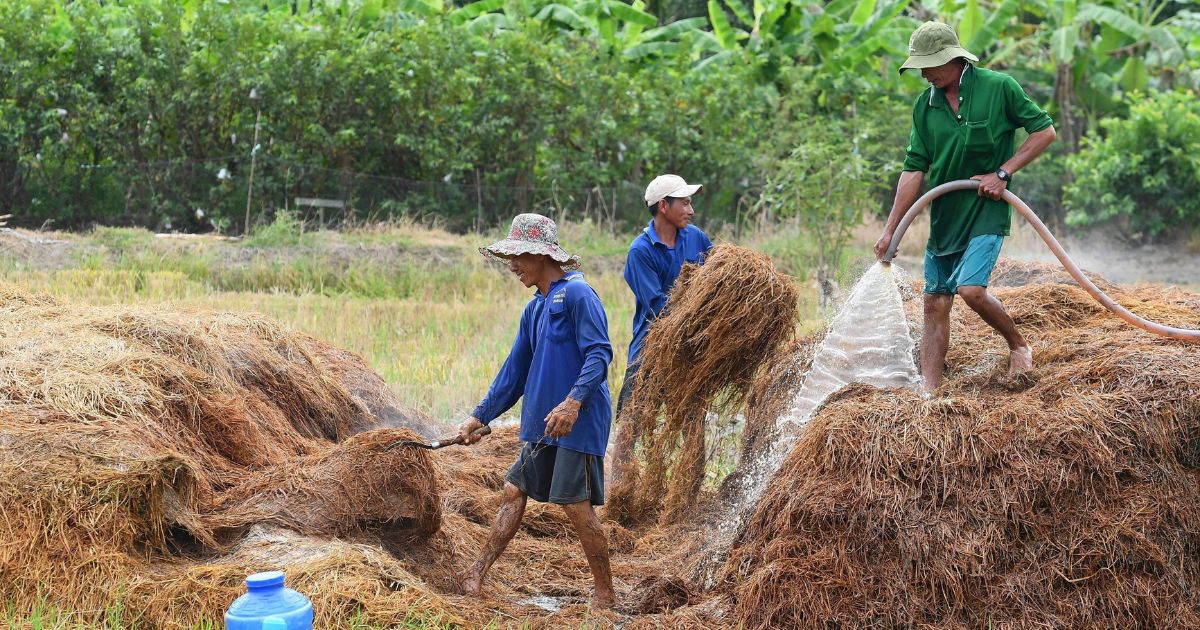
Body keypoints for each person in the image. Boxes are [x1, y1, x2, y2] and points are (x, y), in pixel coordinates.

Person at [874, 21, 1057, 393]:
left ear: (952, 58)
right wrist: (891, 229)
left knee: (970, 290)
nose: (924, 74)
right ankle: (930, 392)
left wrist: (1003, 173)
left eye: (929, 65)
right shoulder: (925, 106)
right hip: (945, 215)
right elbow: (913, 169)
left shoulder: (998, 87)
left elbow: (1044, 131)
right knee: (934, 302)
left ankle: (1019, 345)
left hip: (987, 208)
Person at [457, 213, 617, 609]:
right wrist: (480, 416)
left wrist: (573, 402)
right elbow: (515, 371)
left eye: (518, 257)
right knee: (514, 489)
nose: (512, 266)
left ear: (541, 255)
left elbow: (599, 354)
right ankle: (476, 574)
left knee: (575, 506)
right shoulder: (535, 308)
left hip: (578, 421)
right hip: (545, 422)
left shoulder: (578, 295)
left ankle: (605, 594)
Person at [609, 174, 713, 480]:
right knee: (632, 424)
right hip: (650, 351)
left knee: (693, 422)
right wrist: (699, 309)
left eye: (691, 203)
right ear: (664, 206)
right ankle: (618, 488)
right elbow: (657, 306)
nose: (691, 210)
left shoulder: (696, 238)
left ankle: (689, 492)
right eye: (685, 203)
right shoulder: (640, 251)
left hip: (690, 348)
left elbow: (718, 273)